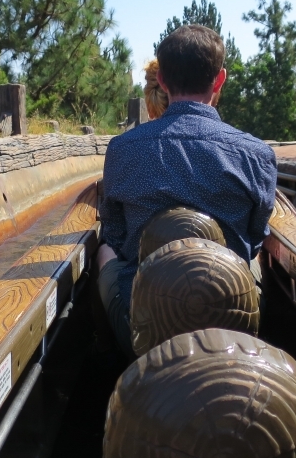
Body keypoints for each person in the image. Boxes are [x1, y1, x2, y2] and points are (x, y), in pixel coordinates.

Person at [97, 24, 278, 355]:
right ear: (219, 79)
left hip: (143, 326)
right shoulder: (256, 154)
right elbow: (255, 236)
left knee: (106, 249)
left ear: (162, 81)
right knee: (255, 253)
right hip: (233, 322)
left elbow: (116, 235)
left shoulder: (122, 149)